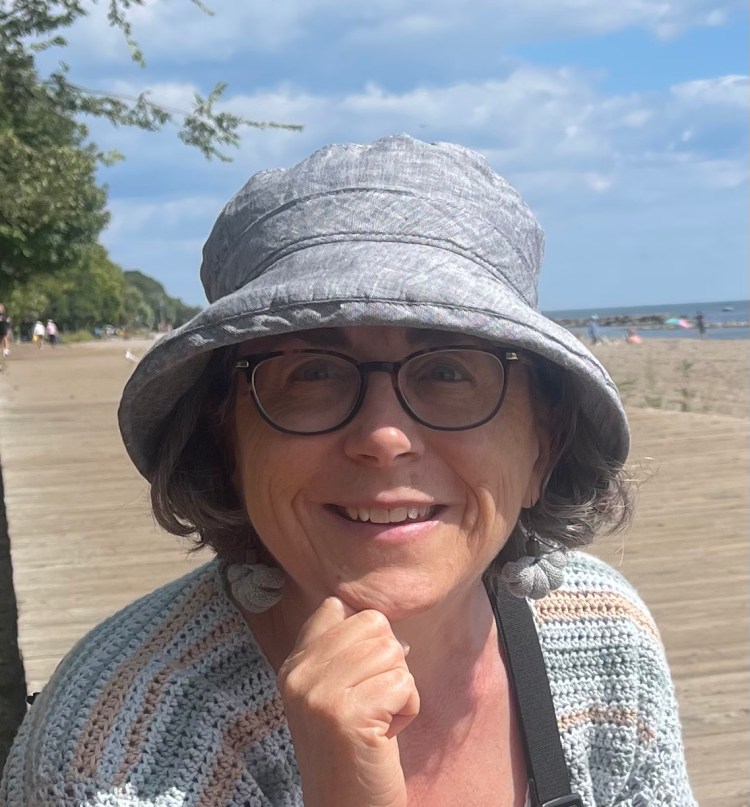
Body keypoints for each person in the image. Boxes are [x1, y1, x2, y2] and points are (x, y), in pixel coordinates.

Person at [1, 136, 696, 806]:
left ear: (542, 446)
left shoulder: (603, 637)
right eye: (312, 372)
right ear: (225, 440)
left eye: (449, 371)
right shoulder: (113, 757)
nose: (383, 437)